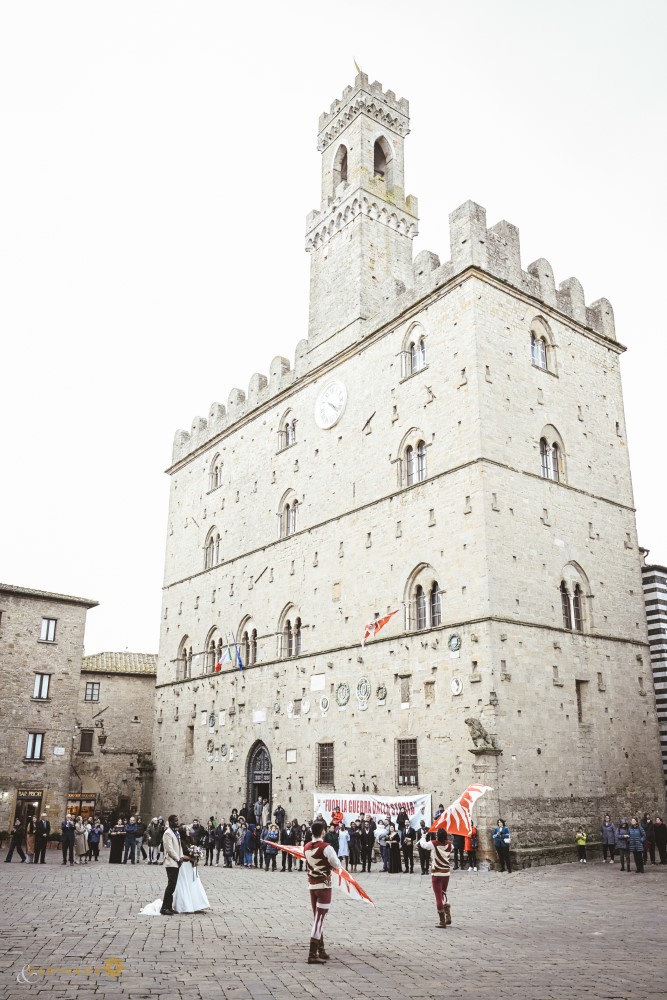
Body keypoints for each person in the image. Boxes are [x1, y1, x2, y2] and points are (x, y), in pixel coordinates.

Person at [304, 819, 342, 964]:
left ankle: (321, 949)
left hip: (312, 884)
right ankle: (312, 953)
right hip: (324, 885)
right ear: (323, 832)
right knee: (320, 920)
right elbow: (336, 864)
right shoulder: (327, 847)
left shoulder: (306, 846)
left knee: (317, 918)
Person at [418, 826, 452, 927]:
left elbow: (423, 845)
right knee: (443, 893)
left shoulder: (434, 844)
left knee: (438, 896)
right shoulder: (450, 845)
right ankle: (448, 915)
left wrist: (423, 837)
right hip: (446, 873)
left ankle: (442, 920)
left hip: (437, 872)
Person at [160, 815, 182, 915]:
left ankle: (169, 906)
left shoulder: (176, 832)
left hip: (177, 861)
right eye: (175, 821)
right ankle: (164, 907)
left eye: (177, 821)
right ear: (170, 822)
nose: (177, 822)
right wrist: (177, 858)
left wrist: (181, 857)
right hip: (171, 862)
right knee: (171, 885)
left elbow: (179, 846)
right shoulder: (167, 833)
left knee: (173, 885)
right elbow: (169, 849)